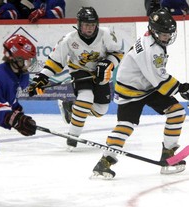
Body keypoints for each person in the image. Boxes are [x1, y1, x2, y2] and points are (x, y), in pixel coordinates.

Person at [92, 8, 189, 179]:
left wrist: (181, 88)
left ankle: (168, 153)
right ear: (154, 31)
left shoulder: (153, 40)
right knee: (126, 125)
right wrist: (182, 88)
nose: (167, 37)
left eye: (169, 33)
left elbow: (156, 77)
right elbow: (160, 79)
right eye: (163, 34)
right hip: (130, 91)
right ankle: (105, 162)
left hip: (147, 87)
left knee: (177, 112)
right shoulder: (151, 49)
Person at [27, 7, 124, 151]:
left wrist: (108, 64)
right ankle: (72, 137)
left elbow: (118, 53)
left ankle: (71, 106)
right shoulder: (69, 39)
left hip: (100, 74)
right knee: (85, 98)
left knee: (100, 110)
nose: (89, 29)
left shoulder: (106, 34)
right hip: (80, 71)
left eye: (92, 25)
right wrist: (41, 78)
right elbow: (55, 62)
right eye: (86, 25)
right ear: (79, 25)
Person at [0, 34, 37, 178]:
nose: (29, 63)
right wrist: (14, 120)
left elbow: (9, 100)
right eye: (26, 59)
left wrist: (17, 111)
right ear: (14, 58)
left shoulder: (22, 76)